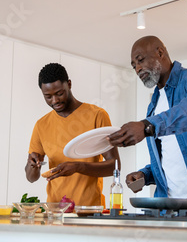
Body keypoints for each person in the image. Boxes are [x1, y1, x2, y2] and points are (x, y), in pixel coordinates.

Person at [108, 36, 187, 211]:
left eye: (140, 60)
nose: (137, 69)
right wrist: (145, 175)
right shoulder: (154, 104)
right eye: (133, 66)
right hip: (169, 208)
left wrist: (147, 126)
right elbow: (170, 158)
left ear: (160, 52)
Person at [25, 63, 119, 207]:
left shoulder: (97, 115)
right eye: (48, 97)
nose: (55, 101)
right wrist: (32, 166)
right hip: (55, 211)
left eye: (59, 93)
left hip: (90, 211)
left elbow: (115, 166)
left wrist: (78, 167)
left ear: (69, 84)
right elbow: (31, 178)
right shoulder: (41, 125)